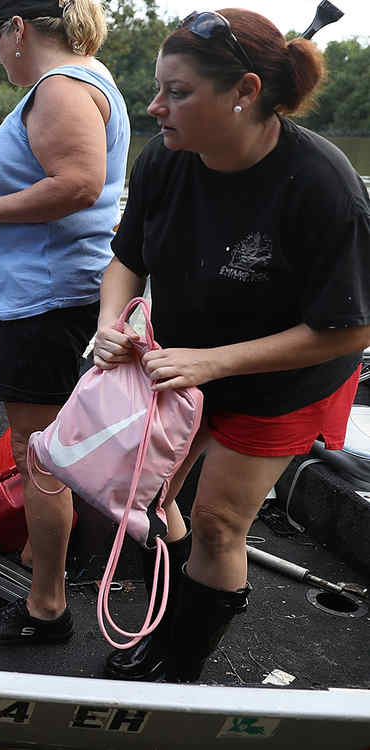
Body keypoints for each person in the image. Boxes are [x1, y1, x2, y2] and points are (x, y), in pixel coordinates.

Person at [92, 8, 370, 683]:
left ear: (245, 92)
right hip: (184, 363)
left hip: (285, 379)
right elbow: (126, 258)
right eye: (158, 88)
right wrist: (113, 322)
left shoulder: (324, 187)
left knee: (218, 524)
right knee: (150, 499)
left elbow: (352, 329)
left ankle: (184, 663)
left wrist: (213, 363)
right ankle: (174, 613)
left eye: (178, 92)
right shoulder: (164, 157)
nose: (155, 106)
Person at [0, 0, 130, 644]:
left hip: (48, 299)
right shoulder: (89, 78)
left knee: (37, 453)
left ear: (18, 30)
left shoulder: (59, 87)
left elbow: (79, 184)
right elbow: (77, 199)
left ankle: (46, 605)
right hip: (63, 285)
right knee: (51, 444)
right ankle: (40, 555)